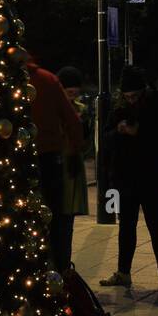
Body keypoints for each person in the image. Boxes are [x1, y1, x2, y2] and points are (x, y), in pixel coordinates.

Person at [100, 64, 158, 293]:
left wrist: (139, 132)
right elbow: (106, 139)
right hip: (126, 178)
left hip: (153, 177)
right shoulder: (119, 110)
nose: (130, 100)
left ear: (142, 92)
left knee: (157, 225)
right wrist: (119, 131)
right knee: (127, 226)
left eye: (134, 96)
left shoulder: (157, 108)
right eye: (127, 96)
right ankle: (124, 272)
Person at [27, 51, 83, 272]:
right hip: (51, 158)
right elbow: (73, 123)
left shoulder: (3, 83)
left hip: (20, 161)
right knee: (59, 219)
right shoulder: (47, 80)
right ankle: (59, 269)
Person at [56, 66, 90, 269]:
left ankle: (65, 261)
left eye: (75, 94)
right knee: (59, 220)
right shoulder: (54, 110)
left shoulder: (81, 110)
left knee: (67, 221)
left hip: (72, 168)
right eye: (69, 93)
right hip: (58, 168)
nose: (72, 97)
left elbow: (84, 145)